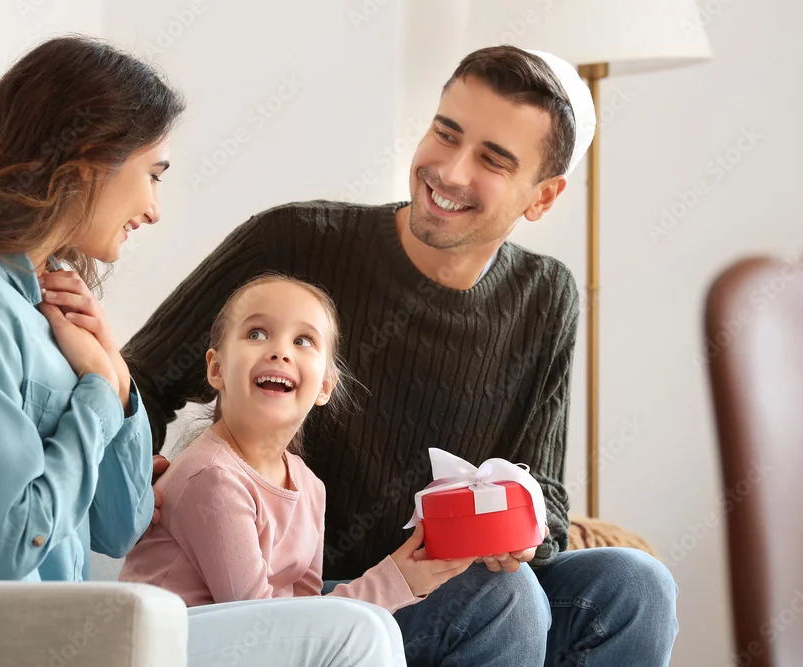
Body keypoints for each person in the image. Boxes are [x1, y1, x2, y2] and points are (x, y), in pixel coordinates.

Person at [0, 34, 406, 667]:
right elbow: (15, 538)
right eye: (152, 175)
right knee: (354, 633)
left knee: (367, 630)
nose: (153, 210)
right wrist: (95, 399)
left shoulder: (49, 309)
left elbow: (120, 524)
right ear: (89, 161)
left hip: (60, 631)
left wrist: (114, 374)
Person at [124, 45, 679, 665]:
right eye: (446, 133)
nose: (451, 171)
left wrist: (519, 535)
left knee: (636, 586)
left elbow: (543, 493)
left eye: (492, 160)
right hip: (324, 596)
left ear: (542, 197)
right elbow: (141, 379)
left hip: (456, 580)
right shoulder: (292, 242)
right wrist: (134, 481)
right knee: (504, 595)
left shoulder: (547, 296)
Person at [122, 274, 478, 665]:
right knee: (363, 628)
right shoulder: (211, 477)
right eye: (257, 333)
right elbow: (263, 627)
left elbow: (303, 614)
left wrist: (398, 580)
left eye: (303, 340)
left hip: (246, 649)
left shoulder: (309, 486)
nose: (280, 351)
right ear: (216, 369)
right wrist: (394, 581)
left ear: (325, 386)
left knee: (373, 628)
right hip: (164, 651)